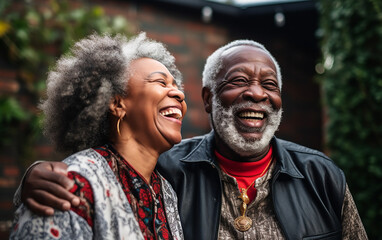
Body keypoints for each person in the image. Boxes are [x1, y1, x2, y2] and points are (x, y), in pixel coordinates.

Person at [15, 39, 368, 240]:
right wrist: (33, 180)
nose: (257, 94)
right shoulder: (168, 173)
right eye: (238, 81)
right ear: (210, 98)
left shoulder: (323, 177)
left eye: (270, 86)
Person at [10, 32, 187, 239]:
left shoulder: (166, 192)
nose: (180, 94)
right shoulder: (68, 186)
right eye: (161, 82)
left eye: (176, 86)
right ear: (117, 104)